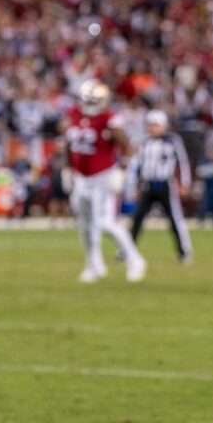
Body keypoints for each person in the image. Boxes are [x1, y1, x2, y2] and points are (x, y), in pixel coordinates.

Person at [64, 78, 146, 283]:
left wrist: (122, 170)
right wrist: (67, 169)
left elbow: (128, 146)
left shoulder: (110, 118)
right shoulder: (73, 114)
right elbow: (68, 143)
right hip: (81, 178)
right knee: (85, 224)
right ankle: (94, 264)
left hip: (104, 177)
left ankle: (134, 259)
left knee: (106, 222)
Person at [129, 109, 193, 263]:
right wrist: (135, 185)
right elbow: (138, 165)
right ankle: (127, 251)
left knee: (175, 219)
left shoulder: (172, 141)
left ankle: (184, 251)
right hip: (147, 184)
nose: (153, 128)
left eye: (156, 125)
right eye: (151, 125)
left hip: (165, 184)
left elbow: (183, 161)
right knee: (138, 218)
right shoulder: (145, 142)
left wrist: (185, 183)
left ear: (164, 125)